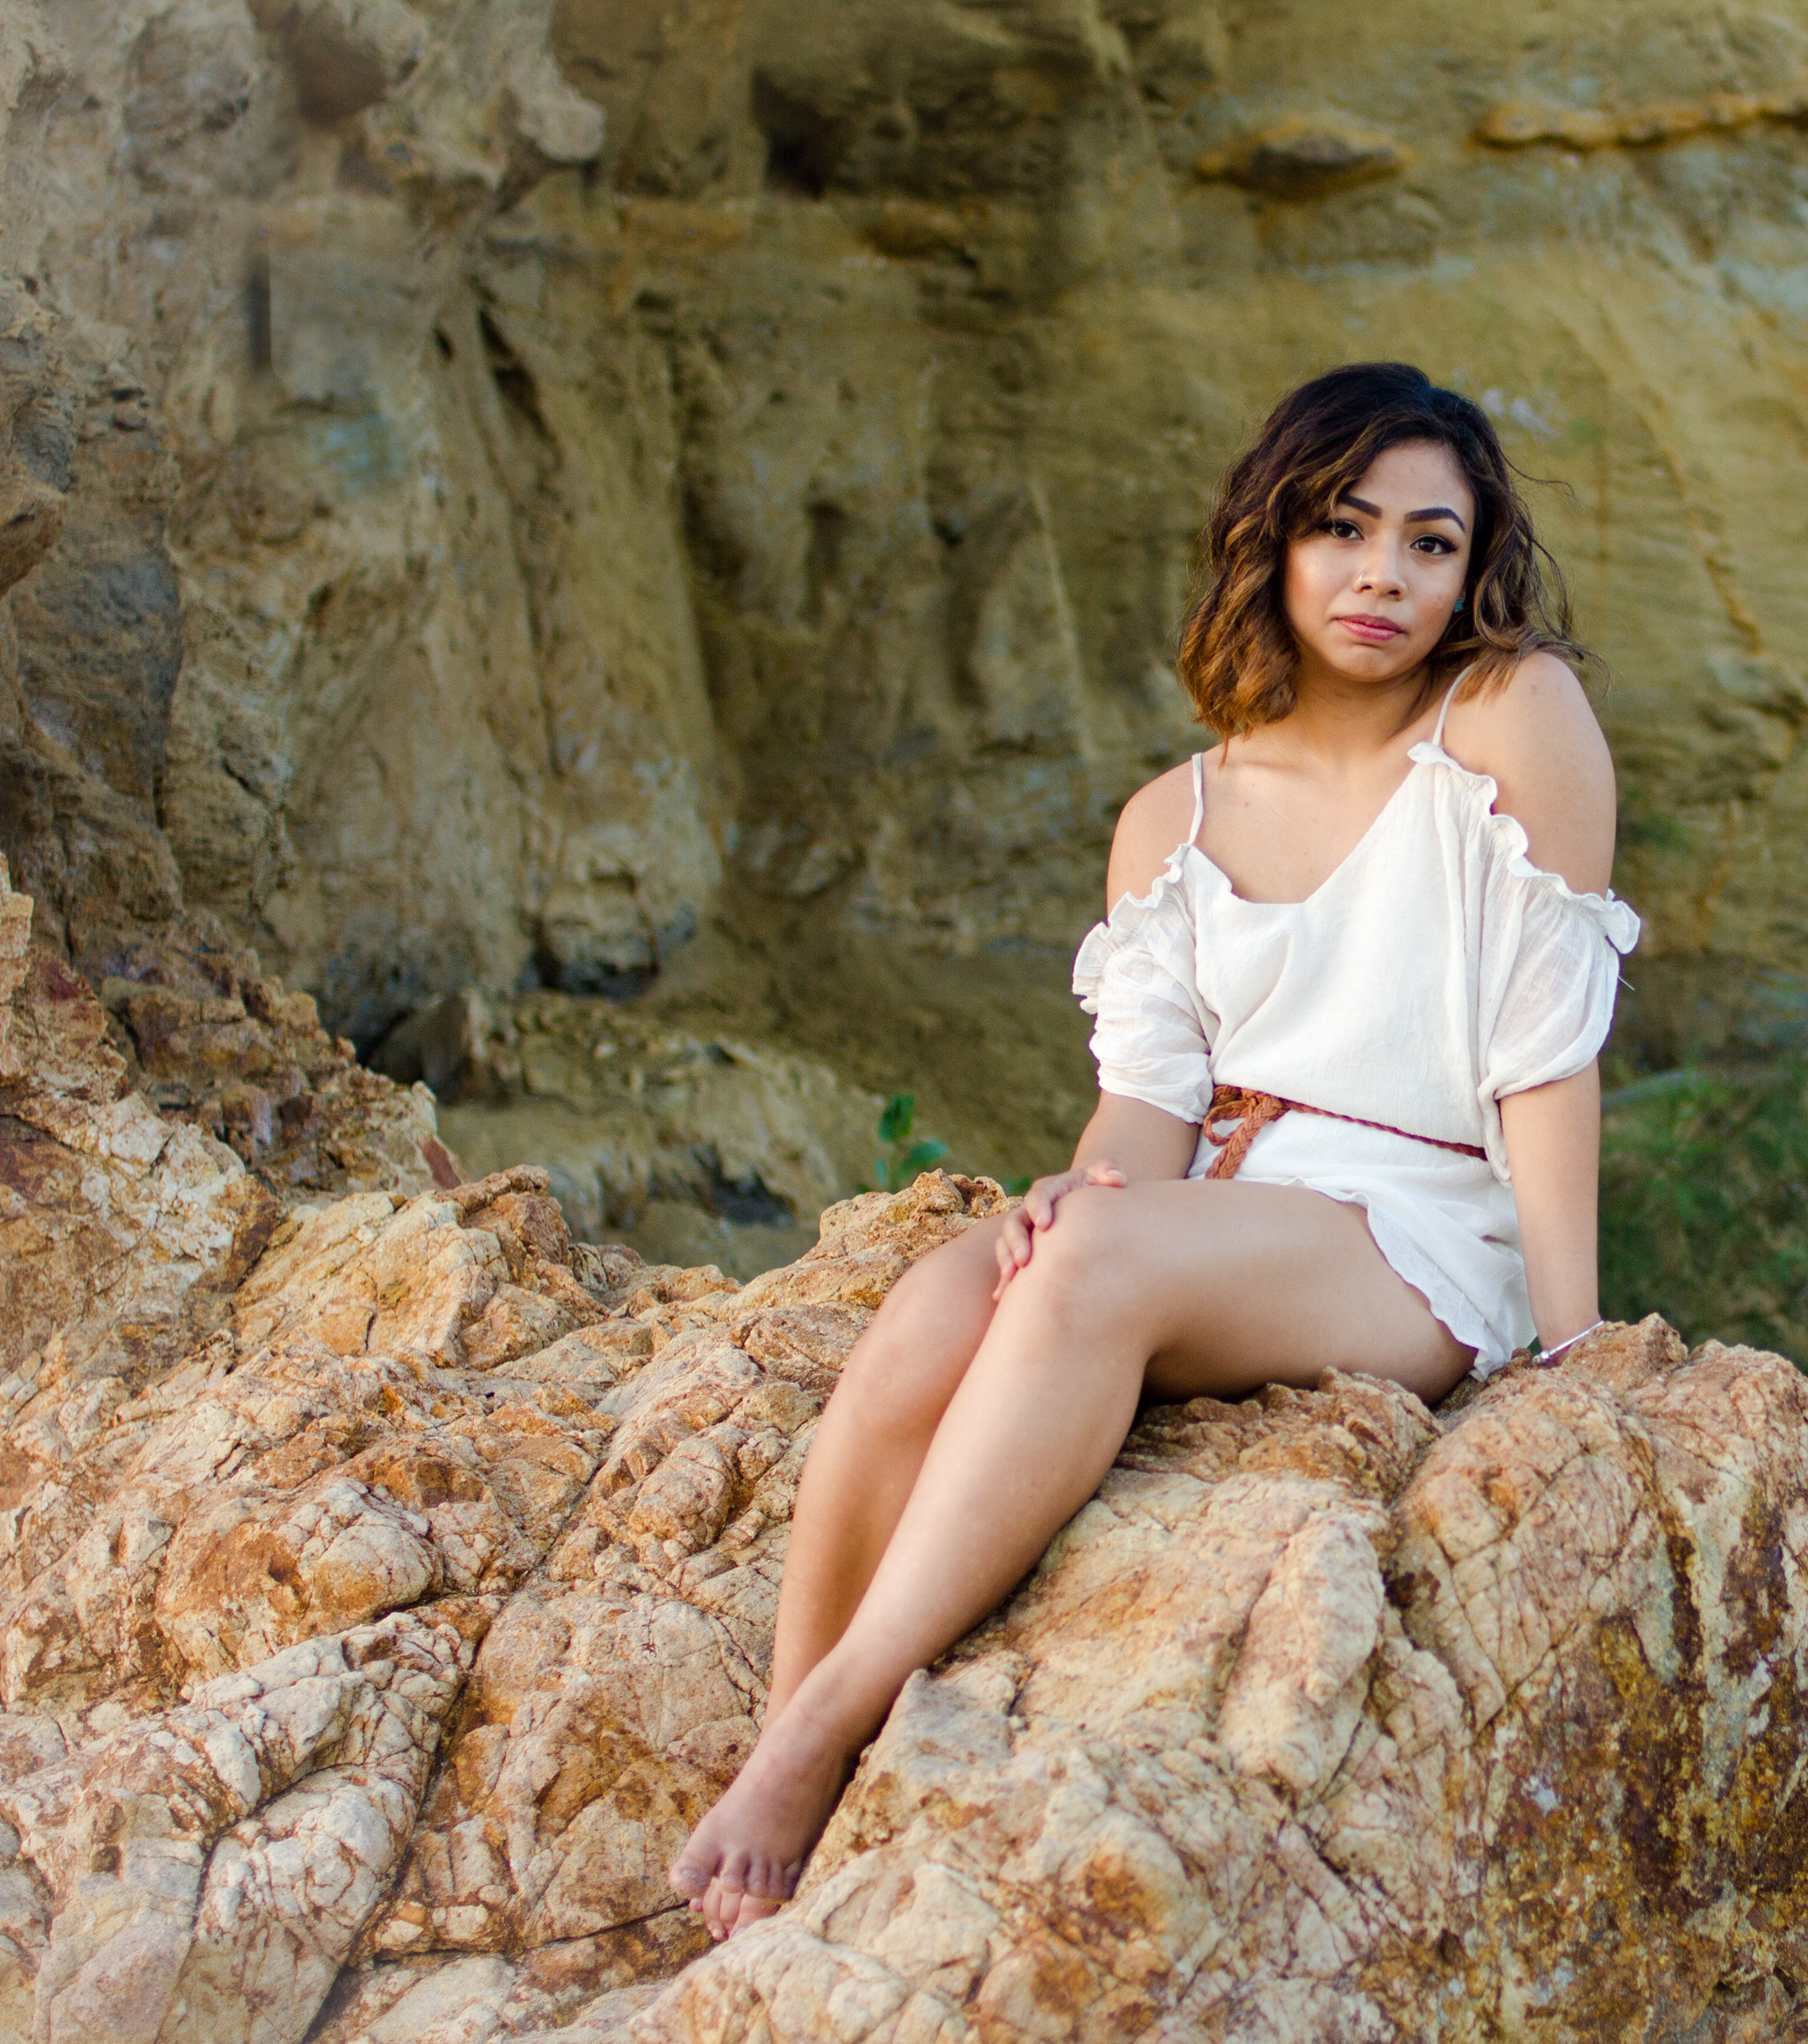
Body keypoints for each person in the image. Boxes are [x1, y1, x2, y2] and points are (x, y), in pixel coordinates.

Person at [666, 362, 1640, 1938]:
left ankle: (822, 1727)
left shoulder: (1507, 716)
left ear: (1473, 569)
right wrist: (1079, 1184)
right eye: (1343, 529)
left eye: (1431, 542)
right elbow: (1147, 1111)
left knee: (1099, 1257)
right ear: (1276, 538)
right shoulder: (1170, 818)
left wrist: (1573, 1341)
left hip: (1421, 1231)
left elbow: (1548, 1050)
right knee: (947, 1298)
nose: (1385, 575)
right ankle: (793, 1726)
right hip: (1230, 1213)